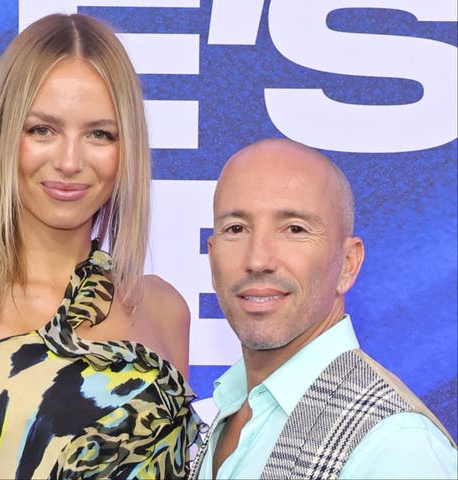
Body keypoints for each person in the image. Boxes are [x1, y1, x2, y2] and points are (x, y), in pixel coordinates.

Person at [0, 13, 199, 479]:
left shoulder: (164, 308)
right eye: (42, 130)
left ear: (127, 148)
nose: (69, 161)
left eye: (99, 134)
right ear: (5, 137)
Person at [192, 138, 457, 479]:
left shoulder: (396, 445)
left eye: (294, 229)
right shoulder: (224, 410)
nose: (257, 260)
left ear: (347, 263)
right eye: (237, 229)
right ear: (212, 258)